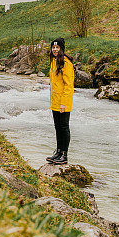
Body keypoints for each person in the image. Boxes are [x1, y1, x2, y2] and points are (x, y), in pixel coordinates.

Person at [46, 37, 74, 165]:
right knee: (57, 127)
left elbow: (68, 85)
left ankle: (64, 154)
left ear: (61, 49)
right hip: (55, 101)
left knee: (64, 127)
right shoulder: (53, 61)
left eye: (57, 48)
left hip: (64, 101)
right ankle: (58, 152)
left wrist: (64, 103)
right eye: (53, 47)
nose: (55, 49)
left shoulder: (66, 63)